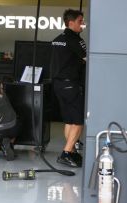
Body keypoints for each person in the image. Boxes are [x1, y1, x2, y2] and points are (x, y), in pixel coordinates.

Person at [50, 9, 86, 168]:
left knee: (69, 121)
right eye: (80, 21)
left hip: (58, 84)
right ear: (71, 23)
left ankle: (70, 151)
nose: (82, 25)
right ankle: (66, 153)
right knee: (78, 121)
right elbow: (89, 59)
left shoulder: (57, 39)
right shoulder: (75, 40)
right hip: (71, 84)